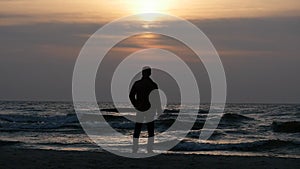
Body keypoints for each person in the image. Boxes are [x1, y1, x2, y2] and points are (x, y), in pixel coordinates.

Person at [129, 66, 162, 153]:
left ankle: (135, 148)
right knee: (150, 129)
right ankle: (149, 148)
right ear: (149, 73)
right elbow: (157, 99)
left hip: (140, 108)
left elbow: (131, 95)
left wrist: (136, 104)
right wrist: (159, 109)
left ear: (143, 73)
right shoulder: (153, 85)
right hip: (150, 109)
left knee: (138, 129)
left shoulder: (137, 83)